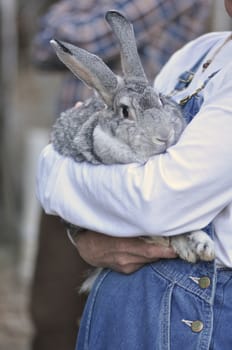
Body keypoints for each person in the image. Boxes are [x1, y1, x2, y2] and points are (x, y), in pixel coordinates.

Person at [33, 1, 212, 349]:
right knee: (50, 312)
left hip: (141, 167)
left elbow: (91, 33)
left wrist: (72, 17)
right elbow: (46, 46)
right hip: (75, 162)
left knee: (116, 312)